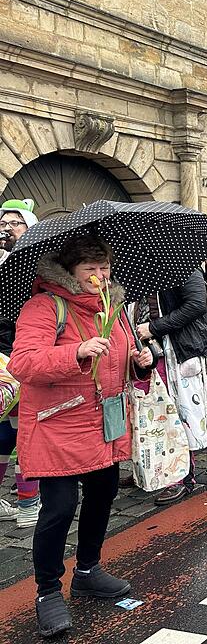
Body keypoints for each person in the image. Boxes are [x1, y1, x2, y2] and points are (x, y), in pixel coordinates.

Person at [8, 233, 154, 638]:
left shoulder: (115, 308)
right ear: (70, 272)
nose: (100, 277)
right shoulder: (44, 306)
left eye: (105, 269)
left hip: (103, 425)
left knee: (103, 495)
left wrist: (141, 361)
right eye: (90, 269)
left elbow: (118, 362)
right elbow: (24, 363)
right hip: (58, 427)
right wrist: (75, 352)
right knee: (58, 508)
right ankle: (48, 591)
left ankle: (88, 569)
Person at [135, 269, 207, 507]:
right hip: (144, 348)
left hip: (175, 351)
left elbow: (197, 305)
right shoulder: (138, 270)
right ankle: (150, 467)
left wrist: (154, 327)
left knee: (174, 413)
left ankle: (181, 476)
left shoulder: (182, 267)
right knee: (146, 411)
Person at [0, 198, 42, 528]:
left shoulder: (34, 268)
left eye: (15, 222)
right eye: (4, 221)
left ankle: (29, 503)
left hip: (19, 358)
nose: (7, 227)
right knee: (4, 436)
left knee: (22, 432)